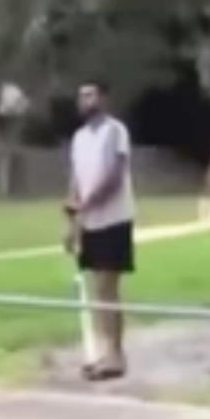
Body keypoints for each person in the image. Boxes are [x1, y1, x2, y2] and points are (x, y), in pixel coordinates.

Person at [63, 79, 135, 382]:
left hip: (114, 219)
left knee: (108, 288)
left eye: (91, 94)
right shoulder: (79, 138)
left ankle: (116, 355)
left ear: (103, 98)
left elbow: (113, 177)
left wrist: (86, 206)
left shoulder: (116, 131)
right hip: (89, 221)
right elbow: (76, 179)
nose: (85, 100)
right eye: (81, 95)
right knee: (97, 290)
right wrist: (72, 219)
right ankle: (105, 353)